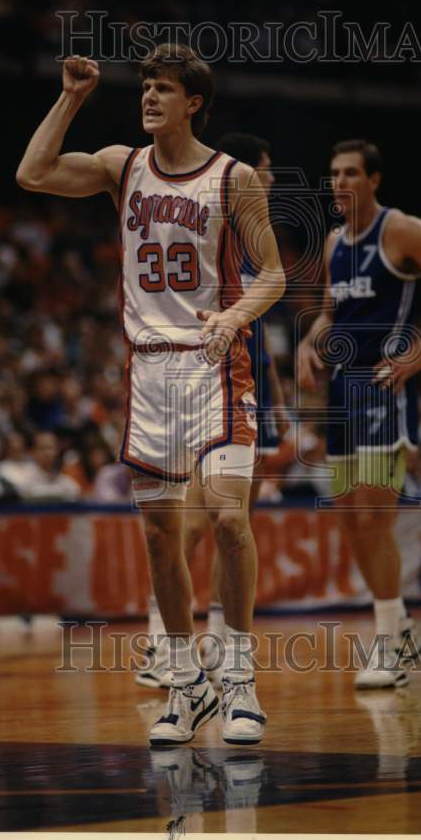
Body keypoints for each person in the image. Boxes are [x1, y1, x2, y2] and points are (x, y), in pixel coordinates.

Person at [17, 43, 285, 745]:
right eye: (144, 87)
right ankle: (183, 679)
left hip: (214, 364)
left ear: (192, 102)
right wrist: (72, 96)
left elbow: (272, 276)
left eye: (162, 89)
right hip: (148, 374)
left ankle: (239, 679)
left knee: (228, 522)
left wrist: (232, 317)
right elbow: (33, 172)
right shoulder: (122, 164)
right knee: (162, 539)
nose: (149, 98)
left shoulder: (232, 179)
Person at [296, 139, 421, 688]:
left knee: (374, 518)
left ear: (374, 180)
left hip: (386, 393)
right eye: (333, 174)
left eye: (351, 173)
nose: (340, 182)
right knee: (351, 520)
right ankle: (397, 624)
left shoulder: (400, 230)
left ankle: (388, 646)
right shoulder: (333, 243)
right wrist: (311, 338)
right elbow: (333, 311)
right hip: (343, 397)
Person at [135, 133, 289, 691]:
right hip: (191, 381)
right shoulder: (214, 221)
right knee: (196, 522)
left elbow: (258, 328)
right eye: (262, 167)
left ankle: (220, 643)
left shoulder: (251, 232)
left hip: (241, 382)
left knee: (231, 522)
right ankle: (162, 640)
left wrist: (275, 400)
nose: (266, 177)